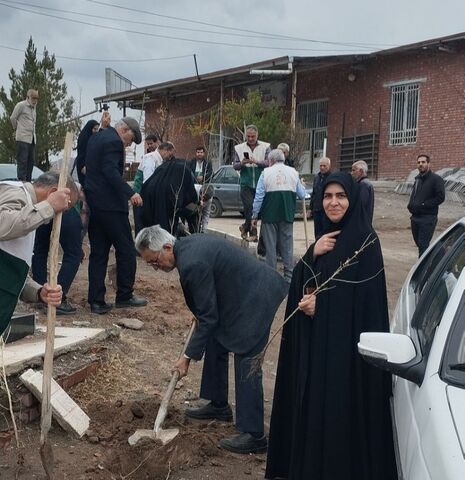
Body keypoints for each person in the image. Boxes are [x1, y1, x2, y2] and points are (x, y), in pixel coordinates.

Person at [265, 172, 397, 480]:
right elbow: (304, 280)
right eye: (327, 196)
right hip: (318, 352)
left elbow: (366, 304)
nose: (333, 202)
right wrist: (312, 254)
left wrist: (322, 307)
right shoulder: (324, 236)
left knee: (340, 416)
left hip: (347, 360)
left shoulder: (366, 241)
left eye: (340, 196)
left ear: (352, 200)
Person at [135, 226, 288, 454]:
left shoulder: (191, 262)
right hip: (239, 293)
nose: (156, 268)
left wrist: (186, 358)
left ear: (167, 247)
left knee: (246, 355)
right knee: (217, 339)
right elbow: (207, 308)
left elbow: (209, 317)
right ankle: (218, 405)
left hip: (256, 296)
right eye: (150, 265)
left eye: (155, 261)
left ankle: (254, 434)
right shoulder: (186, 247)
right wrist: (201, 312)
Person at [0, 171, 77, 335]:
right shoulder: (17, 194)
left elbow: (9, 270)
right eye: (65, 207)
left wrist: (38, 292)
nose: (61, 214)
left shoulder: (30, 213)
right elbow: (2, 224)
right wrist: (49, 206)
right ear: (52, 193)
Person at [84, 117, 147, 314]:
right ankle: (125, 295)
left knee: (99, 254)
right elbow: (110, 171)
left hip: (95, 205)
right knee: (127, 250)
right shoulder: (113, 141)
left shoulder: (96, 138)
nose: (128, 145)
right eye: (130, 140)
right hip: (111, 206)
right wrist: (131, 193)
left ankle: (96, 301)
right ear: (125, 130)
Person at [252, 148, 306, 282]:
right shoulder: (294, 172)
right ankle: (289, 276)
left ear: (271, 160)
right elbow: (302, 194)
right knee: (287, 246)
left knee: (271, 247)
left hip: (269, 215)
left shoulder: (265, 173)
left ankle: (272, 277)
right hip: (287, 214)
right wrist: (302, 185)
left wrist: (254, 215)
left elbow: (259, 197)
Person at [32, 191, 83, 315]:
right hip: (66, 209)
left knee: (40, 250)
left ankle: (40, 293)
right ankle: (57, 297)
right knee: (74, 254)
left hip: (46, 207)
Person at [141, 142, 197, 236]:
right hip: (154, 201)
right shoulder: (151, 158)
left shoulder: (164, 167)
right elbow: (190, 196)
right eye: (170, 153)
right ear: (166, 150)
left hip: (150, 203)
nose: (170, 157)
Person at [233, 125, 270, 242]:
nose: (250, 138)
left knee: (258, 209)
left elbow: (269, 162)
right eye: (248, 136)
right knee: (249, 207)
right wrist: (243, 163)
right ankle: (253, 234)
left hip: (261, 183)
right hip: (246, 183)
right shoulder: (239, 148)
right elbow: (235, 165)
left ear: (257, 135)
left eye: (253, 136)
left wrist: (257, 162)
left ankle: (245, 227)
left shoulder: (266, 146)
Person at [407, 154, 445, 257]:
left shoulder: (436, 179)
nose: (420, 164)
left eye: (423, 162)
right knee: (419, 244)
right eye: (419, 162)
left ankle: (422, 270)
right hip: (415, 218)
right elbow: (414, 194)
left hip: (428, 218)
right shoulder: (417, 179)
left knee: (423, 245)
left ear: (428, 164)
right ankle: (432, 260)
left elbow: (440, 197)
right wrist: (410, 205)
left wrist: (424, 204)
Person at [132, 133, 161, 235]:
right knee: (142, 227)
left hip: (143, 195)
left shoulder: (156, 156)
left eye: (151, 144)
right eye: (148, 144)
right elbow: (148, 180)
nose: (149, 146)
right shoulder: (150, 157)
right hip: (140, 194)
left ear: (157, 142)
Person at [10, 89, 39, 181]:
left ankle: (28, 182)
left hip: (32, 139)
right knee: (22, 161)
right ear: (28, 97)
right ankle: (21, 182)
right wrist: (17, 128)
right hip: (23, 138)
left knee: (31, 162)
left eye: (36, 98)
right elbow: (13, 118)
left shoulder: (34, 108)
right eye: (33, 98)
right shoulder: (21, 105)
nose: (35, 100)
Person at [189, 146, 213, 232]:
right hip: (194, 189)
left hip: (205, 188)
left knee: (206, 212)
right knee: (196, 211)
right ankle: (196, 228)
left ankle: (204, 230)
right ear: (196, 153)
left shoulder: (208, 163)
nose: (199, 154)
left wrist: (203, 178)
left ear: (204, 153)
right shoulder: (191, 162)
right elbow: (188, 173)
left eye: (201, 152)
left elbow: (210, 174)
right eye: (198, 152)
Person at [309, 156, 331, 239]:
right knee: (317, 233)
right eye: (321, 166)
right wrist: (311, 208)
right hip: (317, 210)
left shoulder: (332, 177)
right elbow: (314, 193)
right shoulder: (317, 177)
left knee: (326, 232)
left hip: (326, 211)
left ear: (329, 166)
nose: (322, 167)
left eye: (324, 166)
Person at [351, 159, 374, 224]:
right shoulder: (364, 183)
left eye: (353, 170)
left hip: (361, 222)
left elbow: (360, 205)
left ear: (361, 171)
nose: (351, 173)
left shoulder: (363, 184)